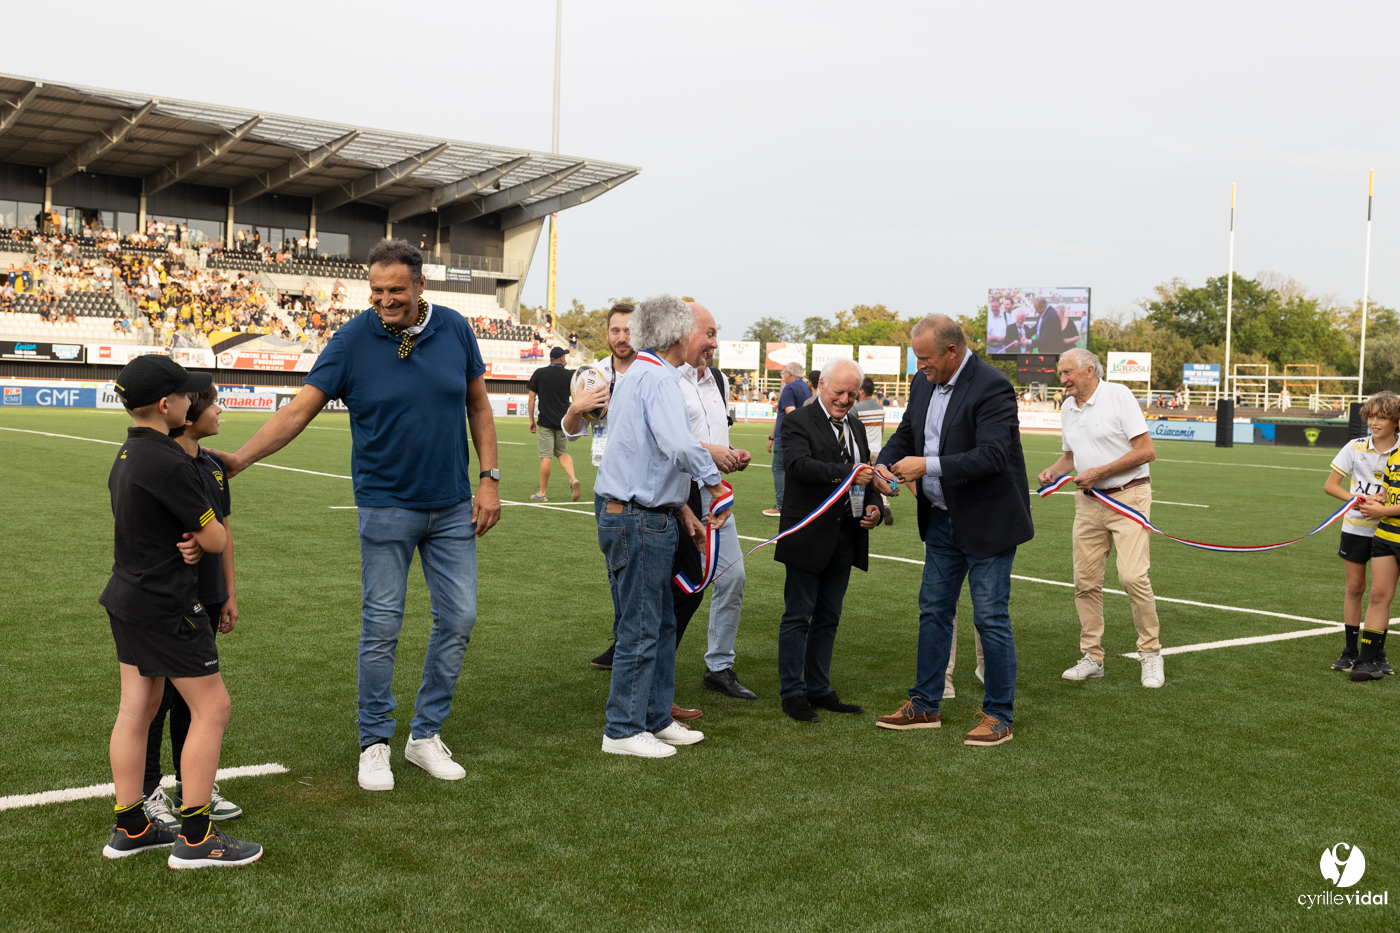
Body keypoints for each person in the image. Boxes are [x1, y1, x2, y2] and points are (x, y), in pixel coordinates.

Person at [218, 239, 501, 791]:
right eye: (376, 291)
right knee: (381, 628)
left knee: (460, 620)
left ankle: (424, 736)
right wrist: (240, 459)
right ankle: (375, 743)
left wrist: (489, 479)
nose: (385, 301)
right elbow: (300, 408)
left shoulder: (456, 328)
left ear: (420, 287)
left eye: (396, 290)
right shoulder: (350, 339)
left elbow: (479, 404)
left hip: (451, 506)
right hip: (385, 505)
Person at [99, 355, 261, 867]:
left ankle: (131, 825)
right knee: (212, 707)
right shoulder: (169, 461)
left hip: (128, 595)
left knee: (138, 709)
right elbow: (214, 535)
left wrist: (187, 540)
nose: (195, 403)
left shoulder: (128, 453)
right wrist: (199, 537)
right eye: (189, 397)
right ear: (167, 404)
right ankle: (196, 838)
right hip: (168, 604)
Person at [873, 314, 1033, 746]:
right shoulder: (924, 381)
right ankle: (925, 703)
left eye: (925, 358)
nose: (919, 367)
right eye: (916, 359)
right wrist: (882, 465)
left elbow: (993, 455)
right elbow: (908, 432)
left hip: (987, 524)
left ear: (952, 351)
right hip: (941, 520)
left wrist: (929, 466)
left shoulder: (992, 385)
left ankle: (999, 714)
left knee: (990, 619)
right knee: (934, 611)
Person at [594, 294, 728, 757]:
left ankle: (654, 716)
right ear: (677, 335)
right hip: (637, 517)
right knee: (642, 625)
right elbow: (677, 445)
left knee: (662, 620)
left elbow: (650, 453)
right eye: (700, 331)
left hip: (645, 513)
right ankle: (623, 729)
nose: (706, 341)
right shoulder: (659, 378)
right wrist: (715, 486)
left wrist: (682, 509)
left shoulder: (643, 374)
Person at [142, 386, 243, 831]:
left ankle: (191, 785)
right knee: (154, 701)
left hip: (204, 597)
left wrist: (228, 592)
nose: (220, 409)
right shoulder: (165, 466)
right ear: (186, 414)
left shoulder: (213, 466)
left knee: (192, 701)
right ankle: (146, 792)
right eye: (212, 404)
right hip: (168, 602)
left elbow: (221, 531)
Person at [1036, 349, 1164, 688]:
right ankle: (1092, 656)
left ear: (1089, 370)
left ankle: (1150, 653)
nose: (1062, 380)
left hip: (1128, 497)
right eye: (1060, 374)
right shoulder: (1067, 407)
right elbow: (1070, 456)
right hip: (1088, 502)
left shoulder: (1118, 395)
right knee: (1085, 581)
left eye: (1067, 373)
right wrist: (1054, 470)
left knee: (1133, 576)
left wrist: (1099, 472)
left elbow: (1146, 451)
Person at [776, 358, 889, 722]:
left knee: (828, 616)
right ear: (820, 386)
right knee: (798, 615)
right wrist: (850, 473)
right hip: (808, 534)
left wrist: (872, 507)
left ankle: (819, 688)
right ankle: (792, 692)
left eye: (852, 394)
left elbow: (866, 476)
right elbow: (798, 466)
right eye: (838, 392)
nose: (845, 399)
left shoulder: (855, 425)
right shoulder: (797, 421)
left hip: (846, 534)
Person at [678, 302, 758, 701]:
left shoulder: (720, 381)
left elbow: (714, 440)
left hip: (715, 494)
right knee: (678, 589)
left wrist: (730, 455)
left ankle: (719, 666)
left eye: (714, 334)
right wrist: (711, 451)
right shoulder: (665, 379)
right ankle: (648, 669)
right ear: (683, 333)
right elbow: (669, 441)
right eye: (708, 333)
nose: (714, 342)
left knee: (733, 578)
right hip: (678, 497)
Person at [1328, 393, 1400, 672]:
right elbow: (1331, 485)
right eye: (1370, 416)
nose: (1374, 421)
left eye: (1381, 416)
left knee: (1382, 593)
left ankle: (1376, 653)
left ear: (1396, 421)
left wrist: (1385, 501)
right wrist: (1356, 501)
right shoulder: (1355, 446)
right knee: (1356, 587)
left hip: (1389, 529)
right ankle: (1349, 650)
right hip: (1357, 527)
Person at [527, 347, 581, 502]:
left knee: (546, 457)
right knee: (562, 453)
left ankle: (542, 493)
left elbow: (531, 398)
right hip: (564, 422)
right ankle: (572, 479)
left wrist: (531, 419)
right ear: (561, 359)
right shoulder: (570, 375)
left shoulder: (539, 373)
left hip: (545, 421)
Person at [765, 361, 811, 517]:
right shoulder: (806, 387)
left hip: (786, 437)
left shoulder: (789, 388)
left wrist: (775, 437)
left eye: (784, 373)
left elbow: (791, 414)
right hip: (802, 436)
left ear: (790, 374)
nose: (783, 376)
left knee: (778, 469)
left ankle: (780, 505)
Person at [852, 376, 893, 526]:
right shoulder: (879, 407)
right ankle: (885, 504)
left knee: (865, 481)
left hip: (864, 450)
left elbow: (852, 431)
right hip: (878, 448)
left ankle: (861, 507)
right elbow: (881, 429)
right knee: (879, 479)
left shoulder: (856, 408)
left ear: (861, 391)